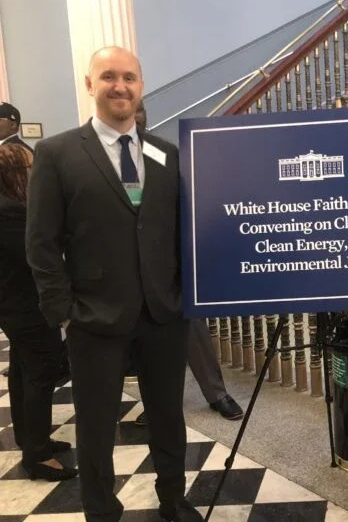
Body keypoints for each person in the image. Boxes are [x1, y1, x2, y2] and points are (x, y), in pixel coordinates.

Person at [26, 46, 202, 522]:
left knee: (168, 416)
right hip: (93, 316)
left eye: (129, 77)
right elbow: (41, 243)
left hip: (163, 314)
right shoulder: (56, 153)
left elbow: (177, 232)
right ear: (90, 84)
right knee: (97, 423)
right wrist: (61, 311)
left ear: (141, 85)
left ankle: (173, 499)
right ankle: (101, 509)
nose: (120, 86)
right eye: (108, 77)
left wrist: (184, 294)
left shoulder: (165, 154)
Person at [131, 101, 243, 425]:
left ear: (145, 116)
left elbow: (189, 203)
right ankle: (157, 403)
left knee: (194, 331)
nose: (135, 117)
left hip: (173, 265)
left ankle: (217, 394)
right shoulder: (102, 159)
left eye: (140, 111)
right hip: (131, 268)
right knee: (146, 344)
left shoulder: (166, 154)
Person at [0, 143, 77, 481]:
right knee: (40, 374)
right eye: (28, 170)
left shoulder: (8, 206)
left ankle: (32, 439)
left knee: (21, 371)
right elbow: (36, 254)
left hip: (14, 306)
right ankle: (37, 456)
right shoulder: (11, 212)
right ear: (15, 175)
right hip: (26, 307)